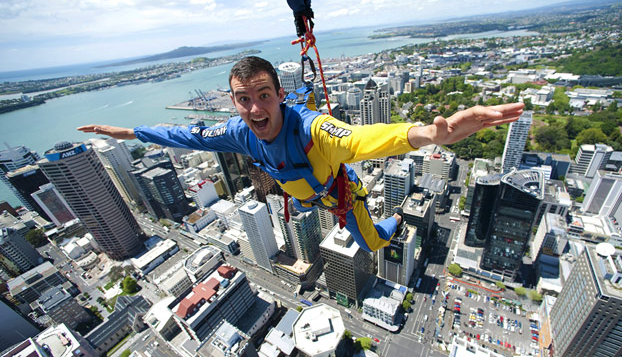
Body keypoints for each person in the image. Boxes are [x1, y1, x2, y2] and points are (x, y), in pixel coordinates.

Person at [78, 56, 524, 252]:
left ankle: (390, 227)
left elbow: (361, 139)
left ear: (279, 94)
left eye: (264, 95)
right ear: (233, 102)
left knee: (370, 239)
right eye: (243, 98)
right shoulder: (237, 131)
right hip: (305, 198)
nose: (255, 108)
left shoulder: (312, 128)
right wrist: (129, 131)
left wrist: (429, 135)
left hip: (338, 192)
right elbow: (185, 135)